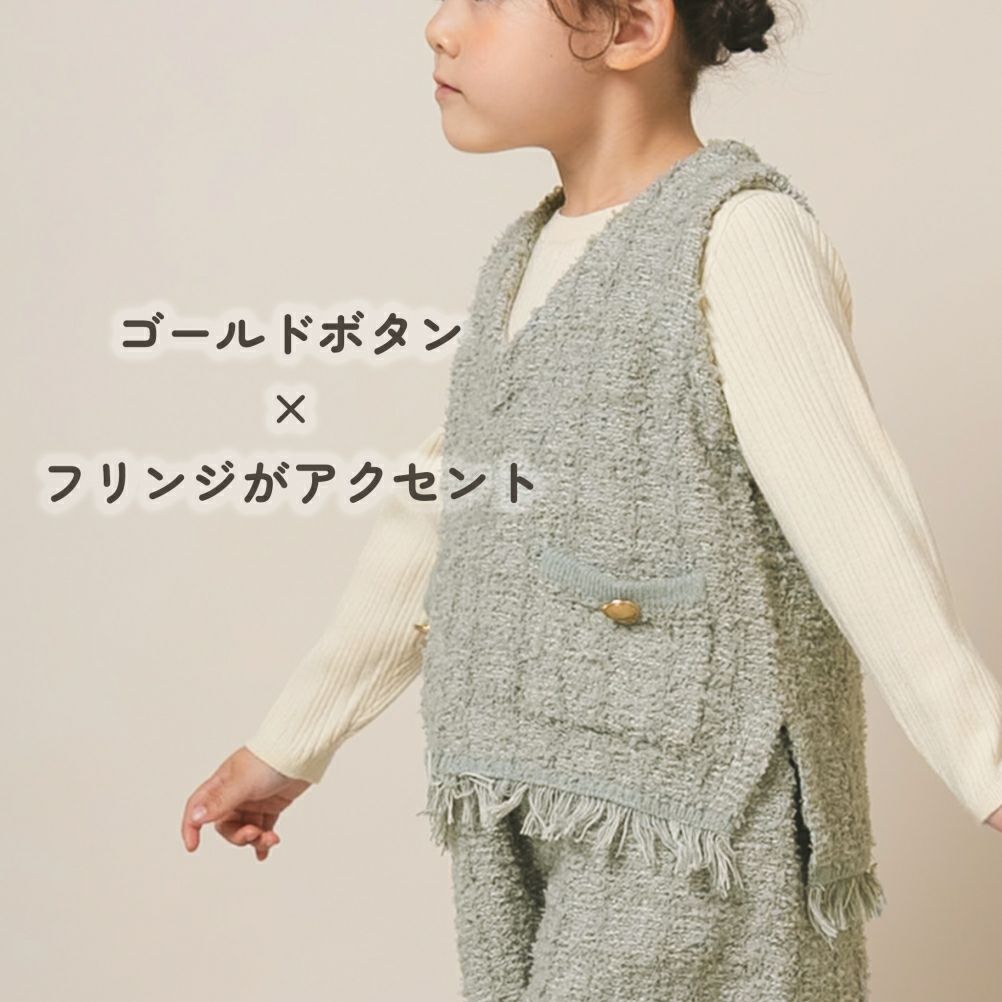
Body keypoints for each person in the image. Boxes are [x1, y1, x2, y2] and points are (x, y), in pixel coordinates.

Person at [181, 2, 1002, 998]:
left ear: (630, 28)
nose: (440, 27)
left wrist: (987, 763)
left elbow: (855, 520)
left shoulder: (738, 235)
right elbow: (445, 515)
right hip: (522, 785)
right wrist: (292, 742)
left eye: (488, 1)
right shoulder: (521, 258)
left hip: (696, 810)